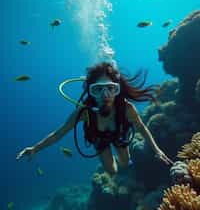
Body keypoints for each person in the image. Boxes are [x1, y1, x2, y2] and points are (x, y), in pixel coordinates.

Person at [16, 61, 172, 175]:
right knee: (111, 171)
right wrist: (35, 148)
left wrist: (157, 150)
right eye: (98, 89)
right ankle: (112, 165)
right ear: (91, 91)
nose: (105, 95)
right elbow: (59, 133)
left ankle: (124, 161)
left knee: (125, 164)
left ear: (117, 89)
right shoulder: (84, 112)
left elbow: (142, 128)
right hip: (100, 140)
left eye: (110, 88)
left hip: (119, 135)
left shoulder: (126, 108)